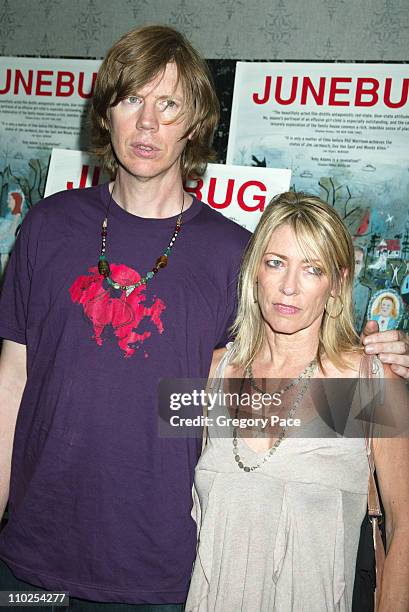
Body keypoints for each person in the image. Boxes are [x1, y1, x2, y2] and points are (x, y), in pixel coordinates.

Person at [0, 24, 408, 612]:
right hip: (32, 571)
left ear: (194, 125)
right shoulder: (45, 227)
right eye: (131, 99)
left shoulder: (236, 255)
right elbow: (10, 387)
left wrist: (382, 371)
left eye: (168, 105)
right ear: (106, 113)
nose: (147, 124)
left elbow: (283, 389)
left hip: (166, 577)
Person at [185, 192, 409, 611]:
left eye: (312, 269)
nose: (289, 286)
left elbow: (405, 526)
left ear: (338, 283)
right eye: (276, 263)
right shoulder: (212, 373)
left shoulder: (370, 382)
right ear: (255, 272)